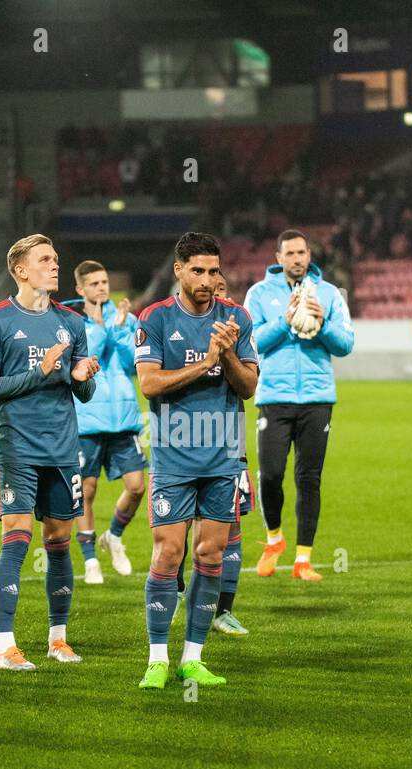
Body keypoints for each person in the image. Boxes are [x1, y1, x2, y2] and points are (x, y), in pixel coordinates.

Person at [135, 231, 258, 689]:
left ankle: (193, 657)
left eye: (214, 271)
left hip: (223, 458)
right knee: (168, 553)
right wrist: (204, 359)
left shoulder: (236, 318)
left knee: (210, 554)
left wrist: (225, 355)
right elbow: (149, 384)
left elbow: (247, 387)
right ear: (179, 271)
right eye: (198, 271)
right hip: (173, 457)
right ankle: (156, 658)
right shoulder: (156, 319)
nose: (208, 279)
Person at [0, 234, 99, 671]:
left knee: (59, 542)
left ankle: (57, 639)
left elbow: (84, 391)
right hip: (18, 447)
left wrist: (81, 375)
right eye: (45, 260)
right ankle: (3, 646)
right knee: (17, 540)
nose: (55, 265)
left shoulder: (72, 323)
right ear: (21, 270)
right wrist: (40, 372)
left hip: (63, 449)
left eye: (56, 259)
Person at [245, 229, 354, 583]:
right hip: (274, 398)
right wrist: (284, 321)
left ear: (309, 255)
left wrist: (320, 325)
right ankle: (274, 539)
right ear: (278, 257)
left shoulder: (330, 294)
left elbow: (346, 344)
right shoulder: (258, 294)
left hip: (317, 398)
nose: (296, 259)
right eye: (289, 253)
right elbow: (251, 344)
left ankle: (303, 560)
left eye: (302, 252)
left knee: (309, 479)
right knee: (271, 474)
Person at [63, 259, 145, 585]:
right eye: (94, 284)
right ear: (80, 289)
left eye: (104, 281)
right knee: (87, 489)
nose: (101, 288)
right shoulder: (71, 322)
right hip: (87, 418)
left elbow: (132, 363)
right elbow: (82, 363)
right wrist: (98, 329)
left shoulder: (126, 318)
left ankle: (113, 536)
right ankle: (91, 560)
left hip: (123, 416)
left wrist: (121, 330)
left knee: (137, 487)